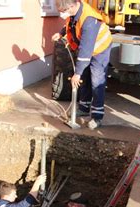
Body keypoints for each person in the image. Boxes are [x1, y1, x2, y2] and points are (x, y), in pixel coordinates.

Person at [52, 0, 112, 130]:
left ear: (72, 6)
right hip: (87, 47)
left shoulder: (89, 20)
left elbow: (85, 50)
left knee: (96, 80)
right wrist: (61, 33)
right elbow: (71, 24)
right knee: (84, 78)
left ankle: (97, 116)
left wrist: (77, 73)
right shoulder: (74, 12)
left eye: (63, 11)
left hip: (100, 48)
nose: (62, 14)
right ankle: (84, 108)